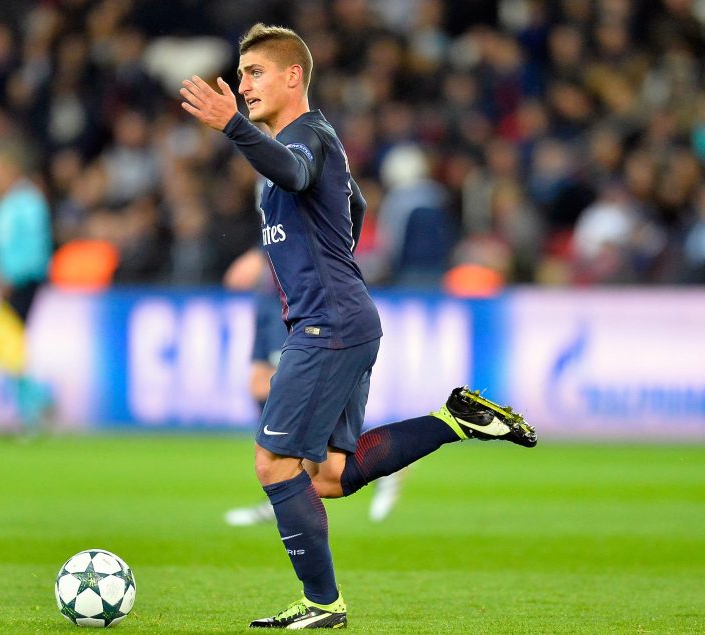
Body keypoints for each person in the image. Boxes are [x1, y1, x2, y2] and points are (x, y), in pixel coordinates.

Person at [181, 23, 537, 629]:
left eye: (254, 73)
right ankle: (453, 420)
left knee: (273, 464)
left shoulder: (306, 137)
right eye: (240, 77)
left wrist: (232, 128)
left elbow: (298, 177)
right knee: (329, 476)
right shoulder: (313, 143)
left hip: (326, 325)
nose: (243, 87)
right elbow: (352, 206)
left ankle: (324, 605)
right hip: (341, 318)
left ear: (294, 76)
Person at [222, 248, 404, 527]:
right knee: (260, 384)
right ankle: (286, 483)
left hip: (296, 289)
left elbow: (308, 220)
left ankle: (291, 486)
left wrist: (260, 254)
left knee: (289, 387)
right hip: (271, 288)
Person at [0, 140, 55, 431]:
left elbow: (36, 247)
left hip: (23, 283)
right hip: (11, 282)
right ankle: (32, 408)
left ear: (10, 169)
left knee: (6, 348)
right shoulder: (9, 202)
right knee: (5, 349)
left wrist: (11, 276)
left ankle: (37, 405)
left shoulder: (28, 201)